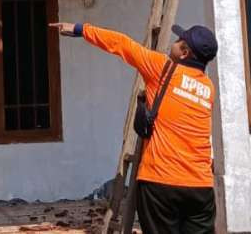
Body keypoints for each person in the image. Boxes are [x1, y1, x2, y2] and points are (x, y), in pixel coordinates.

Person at [50, 20, 219, 234]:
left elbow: (122, 44)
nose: (173, 44)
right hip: (201, 188)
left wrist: (80, 29)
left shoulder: (162, 68)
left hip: (161, 183)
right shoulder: (208, 88)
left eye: (178, 41)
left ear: (184, 52)